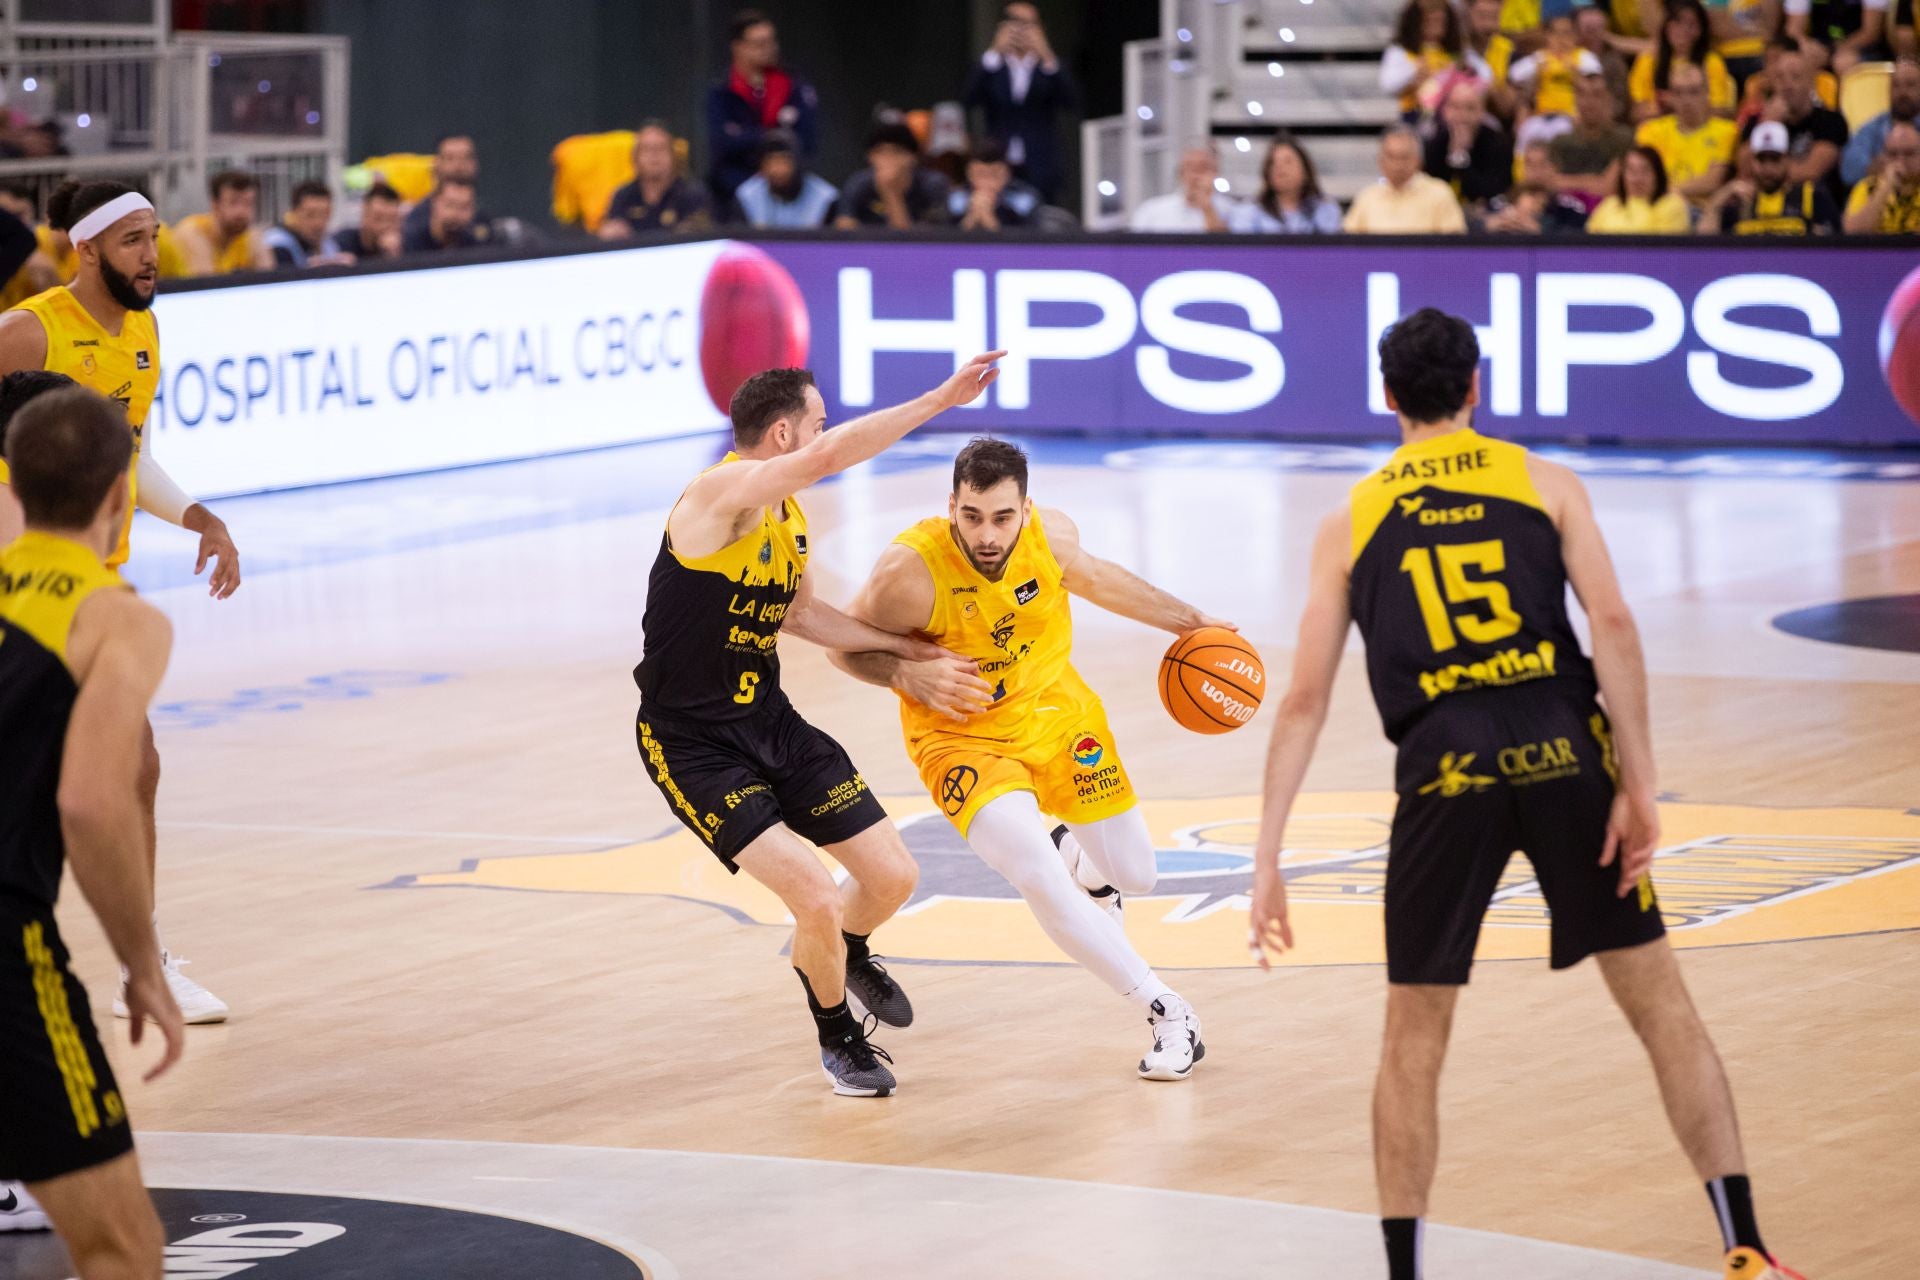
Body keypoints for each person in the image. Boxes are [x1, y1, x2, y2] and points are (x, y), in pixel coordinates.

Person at [1246, 306, 1806, 1280]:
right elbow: (1617, 626)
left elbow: (1303, 697)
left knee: (1414, 1032)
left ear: (1387, 398)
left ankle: (1404, 1269)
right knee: (1662, 1005)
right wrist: (1640, 780)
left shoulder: (1352, 520)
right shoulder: (1544, 481)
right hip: (1561, 749)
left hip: (1444, 766)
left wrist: (1267, 851)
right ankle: (1745, 1241)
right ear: (1475, 388)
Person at [633, 352, 1004, 1097]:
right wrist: (939, 399)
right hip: (692, 742)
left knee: (895, 876)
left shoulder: (784, 515)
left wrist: (902, 645)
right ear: (782, 434)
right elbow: (833, 455)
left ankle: (850, 949)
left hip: (769, 720)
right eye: (816, 424)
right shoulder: (720, 494)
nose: (825, 437)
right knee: (812, 894)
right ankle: (839, 1041)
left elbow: (799, 613)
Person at [830, 438, 1227, 1080]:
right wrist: (906, 676)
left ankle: (1084, 862)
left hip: (1058, 714)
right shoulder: (909, 572)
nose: (987, 534)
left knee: (1137, 876)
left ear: (1026, 508)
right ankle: (1169, 1011)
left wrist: (1194, 622)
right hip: (961, 738)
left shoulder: (1053, 537)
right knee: (1037, 875)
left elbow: (1102, 581)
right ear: (951, 507)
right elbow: (843, 648)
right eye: (972, 516)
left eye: (1002, 517)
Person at [0, 180, 241, 1028]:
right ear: (88, 248)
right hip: (22, 583)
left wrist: (198, 516)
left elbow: (131, 459)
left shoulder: (142, 329)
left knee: (134, 765)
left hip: (89, 583)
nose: (151, 254)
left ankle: (145, 962)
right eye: (133, 240)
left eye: (155, 235)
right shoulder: (29, 330)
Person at [0, 385, 187, 1276]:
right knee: (123, 1246)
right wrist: (142, 965)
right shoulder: (120, 619)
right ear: (120, 494)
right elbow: (91, 803)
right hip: (4, 939)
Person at [964, 2, 1078, 203]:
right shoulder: (992, 67)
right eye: (1015, 22)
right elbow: (969, 98)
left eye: (1028, 24)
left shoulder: (1048, 67)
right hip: (999, 161)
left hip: (1040, 162)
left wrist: (1047, 56)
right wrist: (994, 52)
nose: (1021, 30)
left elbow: (1071, 101)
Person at [708, 9, 820, 206]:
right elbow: (723, 143)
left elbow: (807, 140)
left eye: (771, 41)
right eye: (760, 44)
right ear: (738, 47)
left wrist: (748, 137)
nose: (770, 48)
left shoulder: (794, 86)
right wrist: (772, 136)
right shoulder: (722, 91)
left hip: (791, 192)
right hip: (733, 192)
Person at [1737, 42, 1849, 202]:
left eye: (1795, 77)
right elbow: (1744, 171)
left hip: (1813, 204)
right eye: (1780, 78)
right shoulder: (1757, 122)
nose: (1787, 85)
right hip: (1764, 206)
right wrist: (1768, 124)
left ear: (1811, 82)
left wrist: (1765, 171)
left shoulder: (1830, 120)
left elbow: (1811, 172)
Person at [1702, 118, 1844, 228]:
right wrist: (1718, 201)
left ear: (1787, 159)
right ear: (1752, 161)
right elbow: (1706, 252)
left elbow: (1835, 247)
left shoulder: (1812, 197)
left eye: (1774, 159)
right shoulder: (1739, 202)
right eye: (1761, 159)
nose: (1767, 167)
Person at [1636, 62, 1741, 205]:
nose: (1686, 100)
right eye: (1678, 93)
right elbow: (1643, 175)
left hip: (1700, 210)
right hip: (1659, 208)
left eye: (1693, 92)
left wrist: (1666, 191)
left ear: (1707, 93)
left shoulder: (1728, 131)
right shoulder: (1651, 130)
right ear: (1670, 97)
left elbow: (1712, 181)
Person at [599, 121, 714, 239]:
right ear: (635, 157)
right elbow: (609, 232)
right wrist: (610, 232)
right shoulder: (623, 196)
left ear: (673, 156)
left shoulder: (692, 195)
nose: (654, 155)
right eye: (647, 149)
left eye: (661, 148)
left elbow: (702, 237)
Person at [1345, 126, 1470, 232]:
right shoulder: (1367, 197)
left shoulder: (1440, 193)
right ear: (1380, 161)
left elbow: (1455, 246)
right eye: (1391, 156)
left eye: (1404, 157)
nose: (1397, 165)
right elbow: (1347, 246)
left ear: (1419, 160)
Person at [1629, 0, 1737, 120]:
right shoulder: (1648, 60)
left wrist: (1679, 104)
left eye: (1691, 24)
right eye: (1677, 22)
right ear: (1666, 25)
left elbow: (1719, 111)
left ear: (1701, 30)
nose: (1683, 30)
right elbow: (1637, 112)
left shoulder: (1712, 62)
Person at [834, 121, 953, 230]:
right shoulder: (858, 184)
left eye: (897, 151)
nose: (888, 158)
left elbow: (923, 241)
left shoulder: (932, 184)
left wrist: (891, 193)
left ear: (913, 157)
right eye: (880, 152)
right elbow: (844, 228)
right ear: (870, 157)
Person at [1382, 0, 1488, 120]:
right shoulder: (1402, 51)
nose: (1434, 25)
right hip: (1416, 114)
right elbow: (1388, 85)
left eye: (1439, 21)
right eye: (1428, 21)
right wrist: (1415, 73)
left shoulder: (1458, 52)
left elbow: (1486, 76)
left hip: (1452, 116)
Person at [1422, 80, 1517, 211]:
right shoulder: (1435, 142)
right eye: (1455, 107)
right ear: (1445, 111)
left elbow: (1491, 193)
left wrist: (1461, 158)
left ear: (1481, 111)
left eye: (1470, 108)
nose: (1462, 116)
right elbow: (1431, 189)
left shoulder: (1499, 143)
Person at [1548, 73, 1636, 202]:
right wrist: (1592, 180)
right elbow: (1549, 183)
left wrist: (1566, 182)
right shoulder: (1560, 141)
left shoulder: (1623, 139)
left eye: (1597, 94)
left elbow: (1607, 188)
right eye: (1582, 94)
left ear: (1610, 99)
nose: (1588, 102)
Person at [1230, 133, 1344, 232]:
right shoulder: (1249, 212)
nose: (1279, 168)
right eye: (1273, 163)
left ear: (1305, 170)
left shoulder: (1325, 210)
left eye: (1288, 161)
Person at [730, 129, 839, 228]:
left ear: (798, 163)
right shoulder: (746, 196)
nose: (777, 169)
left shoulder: (825, 198)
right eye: (770, 161)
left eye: (784, 161)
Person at [171, 170, 273, 276]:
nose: (241, 212)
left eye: (248, 203)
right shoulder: (192, 233)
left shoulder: (251, 236)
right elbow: (207, 286)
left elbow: (270, 281)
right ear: (215, 205)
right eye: (233, 202)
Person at [1840, 56, 1920, 186]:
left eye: (1910, 85)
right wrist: (1877, 167)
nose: (1902, 92)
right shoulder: (1873, 128)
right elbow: (1848, 171)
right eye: (1896, 85)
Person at [399, 134, 491, 248]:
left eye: (466, 157)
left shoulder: (484, 220)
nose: (459, 166)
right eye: (450, 158)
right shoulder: (414, 223)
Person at [1128, 141, 1238, 231]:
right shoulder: (1150, 211)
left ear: (1216, 172)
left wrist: (1207, 208)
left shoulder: (1232, 212)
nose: (1196, 175)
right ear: (1180, 173)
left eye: (1203, 168)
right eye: (1190, 168)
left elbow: (1225, 252)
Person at [1510, 14, 1605, 118]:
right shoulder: (1540, 57)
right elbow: (1514, 75)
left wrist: (1576, 75)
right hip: (1543, 115)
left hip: (1573, 116)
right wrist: (1537, 73)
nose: (1561, 39)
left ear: (1575, 36)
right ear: (1548, 36)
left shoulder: (1583, 57)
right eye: (1556, 33)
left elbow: (1596, 79)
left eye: (1566, 33)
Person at [1587, 143, 1695, 226]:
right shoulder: (1610, 204)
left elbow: (1665, 251)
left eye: (1645, 171)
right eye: (1631, 171)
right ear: (1623, 176)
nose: (1637, 178)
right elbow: (1588, 244)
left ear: (1657, 175)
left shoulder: (1672, 205)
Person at [950, 137, 1045, 230]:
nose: (987, 182)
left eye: (994, 174)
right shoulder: (956, 198)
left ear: (1007, 174)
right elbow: (945, 241)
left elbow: (1031, 241)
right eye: (980, 174)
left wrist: (989, 219)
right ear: (969, 174)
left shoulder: (1024, 198)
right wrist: (972, 217)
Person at [1842, 117, 1920, 229]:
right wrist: (1885, 188)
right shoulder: (1867, 187)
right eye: (1893, 154)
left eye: (1909, 153)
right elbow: (1853, 233)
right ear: (1883, 157)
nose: (1900, 161)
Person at [263, 180, 350, 269]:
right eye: (310, 215)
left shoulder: (328, 244)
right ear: (294, 213)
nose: (318, 223)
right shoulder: (278, 243)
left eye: (325, 215)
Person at [1787, 0, 1892, 74]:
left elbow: (1871, 32)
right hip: (1820, 45)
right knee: (1793, 62)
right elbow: (1794, 29)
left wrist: (1833, 50)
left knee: (1843, 62)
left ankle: (1846, 105)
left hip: (1860, 48)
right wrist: (1806, 45)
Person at [1574, 3, 1638, 119]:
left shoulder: (1614, 62)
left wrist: (1598, 113)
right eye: (1589, 30)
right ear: (1577, 33)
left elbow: (1621, 102)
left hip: (1608, 121)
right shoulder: (1568, 59)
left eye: (1599, 29)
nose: (1595, 36)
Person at [1467, 0, 1522, 120]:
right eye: (1482, 16)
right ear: (1469, 12)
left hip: (1493, 120)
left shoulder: (1510, 52)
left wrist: (1489, 83)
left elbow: (1507, 108)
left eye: (1493, 17)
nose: (1487, 24)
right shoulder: (1458, 47)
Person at [401, 178, 488, 253]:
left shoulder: (479, 241)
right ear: (434, 203)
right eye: (450, 205)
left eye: (464, 207)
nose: (456, 214)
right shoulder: (409, 240)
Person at [343, 181, 404, 260]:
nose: (385, 227)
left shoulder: (408, 245)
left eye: (392, 221)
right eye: (379, 219)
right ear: (364, 214)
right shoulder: (343, 244)